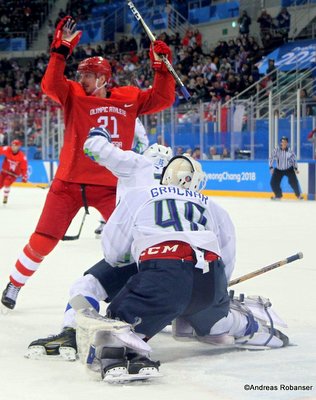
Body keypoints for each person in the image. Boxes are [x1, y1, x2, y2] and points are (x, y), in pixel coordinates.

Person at [26, 130, 288, 380]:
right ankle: (249, 326)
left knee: (99, 303)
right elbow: (226, 254)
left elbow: (114, 251)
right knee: (214, 324)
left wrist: (98, 135)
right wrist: (219, 288)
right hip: (207, 273)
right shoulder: (211, 204)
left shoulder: (139, 183)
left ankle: (78, 332)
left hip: (155, 266)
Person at [1, 16, 175, 310]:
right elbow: (50, 84)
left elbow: (162, 98)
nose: (80, 79)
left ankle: (145, 293)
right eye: (80, 74)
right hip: (68, 183)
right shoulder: (74, 94)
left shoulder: (129, 98)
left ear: (104, 79)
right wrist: (59, 51)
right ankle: (15, 283)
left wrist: (161, 67)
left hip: (111, 186)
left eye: (87, 75)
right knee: (43, 239)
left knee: (133, 243)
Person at [94, 117, 149, 237]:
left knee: (122, 193)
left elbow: (143, 141)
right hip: (107, 161)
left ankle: (125, 225)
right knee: (106, 192)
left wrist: (131, 154)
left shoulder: (132, 116)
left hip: (125, 164)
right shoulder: (98, 109)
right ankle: (105, 222)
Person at [0, 139, 28, 204]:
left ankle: (5, 197)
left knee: (7, 182)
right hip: (4, 171)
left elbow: (24, 168)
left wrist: (24, 176)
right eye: (12, 145)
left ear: (18, 147)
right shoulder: (7, 149)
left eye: (15, 145)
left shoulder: (22, 156)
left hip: (13, 174)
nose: (13, 147)